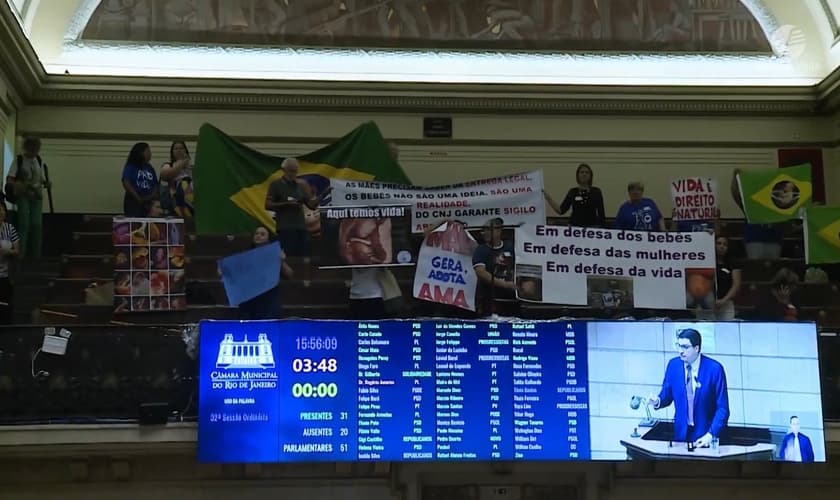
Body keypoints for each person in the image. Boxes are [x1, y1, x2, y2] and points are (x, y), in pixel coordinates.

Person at [648, 328, 730, 447]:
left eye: (685, 347)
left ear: (696, 348)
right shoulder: (673, 366)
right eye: (679, 346)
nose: (680, 351)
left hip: (706, 435)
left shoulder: (714, 369)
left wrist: (711, 435)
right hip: (681, 435)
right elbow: (666, 395)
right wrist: (657, 401)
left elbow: (723, 409)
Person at [264, 158, 319, 256]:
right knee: (288, 257)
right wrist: (286, 204)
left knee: (303, 257)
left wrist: (323, 195)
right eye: (291, 171)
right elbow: (267, 205)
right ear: (284, 170)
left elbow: (311, 205)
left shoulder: (301, 185)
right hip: (285, 228)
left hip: (301, 227)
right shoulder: (276, 185)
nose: (294, 174)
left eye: (296, 171)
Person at [238, 226, 294, 320]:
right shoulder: (246, 256)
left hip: (268, 300)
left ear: (268, 239)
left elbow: (289, 274)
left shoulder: (274, 255)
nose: (259, 236)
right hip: (250, 300)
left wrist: (281, 261)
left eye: (262, 234)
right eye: (257, 233)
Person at [6, 136, 49, 258]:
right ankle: (21, 255)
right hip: (23, 195)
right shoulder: (19, 160)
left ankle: (37, 256)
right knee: (24, 224)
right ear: (27, 148)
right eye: (32, 149)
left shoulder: (39, 160)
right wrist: (18, 184)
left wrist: (45, 183)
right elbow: (9, 179)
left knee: (37, 225)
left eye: (36, 149)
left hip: (36, 196)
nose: (35, 151)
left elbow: (39, 178)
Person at [472, 217, 518, 317]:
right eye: (483, 230)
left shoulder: (511, 247)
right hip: (489, 300)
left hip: (511, 300)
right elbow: (481, 273)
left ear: (498, 230)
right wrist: (505, 284)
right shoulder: (481, 250)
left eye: (488, 229)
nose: (483, 233)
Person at [543, 163, 606, 227]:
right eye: (582, 172)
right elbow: (561, 210)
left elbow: (601, 214)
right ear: (577, 175)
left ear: (590, 175)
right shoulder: (573, 192)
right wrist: (548, 197)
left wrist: (604, 229)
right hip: (575, 228)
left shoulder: (596, 192)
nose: (584, 174)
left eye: (587, 172)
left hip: (591, 228)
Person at [121, 142, 159, 217]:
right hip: (133, 201)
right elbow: (126, 182)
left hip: (149, 202)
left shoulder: (150, 167)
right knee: (135, 225)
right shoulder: (131, 166)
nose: (150, 153)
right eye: (148, 151)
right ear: (140, 152)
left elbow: (155, 183)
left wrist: (152, 196)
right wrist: (138, 198)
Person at [159, 140, 194, 218]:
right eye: (176, 149)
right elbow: (165, 175)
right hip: (174, 201)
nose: (179, 150)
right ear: (172, 152)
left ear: (186, 150)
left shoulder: (191, 168)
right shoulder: (168, 165)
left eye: (181, 148)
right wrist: (181, 163)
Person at [0, 197, 20, 324]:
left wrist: (7, 252)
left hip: (6, 274)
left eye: (2, 210)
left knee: (5, 303)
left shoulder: (10, 228)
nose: (0, 213)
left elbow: (17, 250)